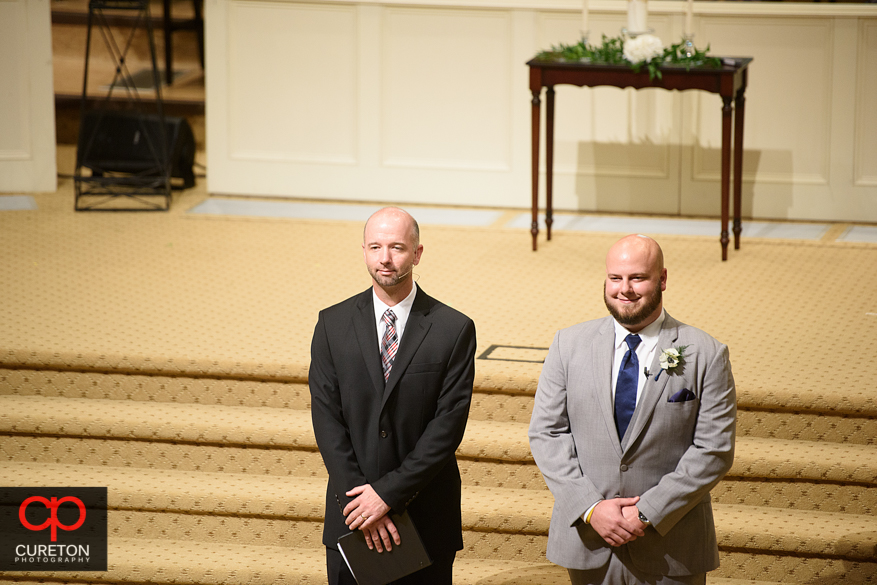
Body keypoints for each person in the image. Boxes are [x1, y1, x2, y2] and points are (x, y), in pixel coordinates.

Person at [528, 234, 736, 585]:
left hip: (671, 544)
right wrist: (591, 508)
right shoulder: (568, 344)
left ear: (663, 279)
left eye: (638, 278)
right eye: (615, 278)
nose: (625, 289)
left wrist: (646, 513)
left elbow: (713, 449)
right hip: (589, 540)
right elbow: (547, 433)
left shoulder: (706, 353)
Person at [309, 206, 477, 585]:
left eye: (397, 247)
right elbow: (327, 420)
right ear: (364, 251)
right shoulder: (331, 324)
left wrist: (386, 496)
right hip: (351, 516)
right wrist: (362, 503)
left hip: (425, 515)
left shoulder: (454, 329)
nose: (385, 258)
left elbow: (447, 428)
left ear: (417, 254)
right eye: (375, 247)